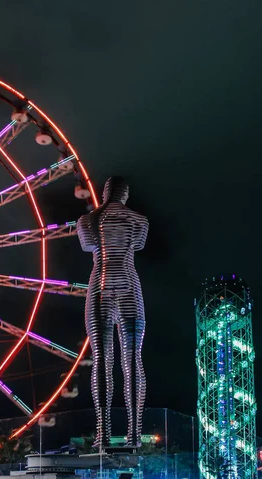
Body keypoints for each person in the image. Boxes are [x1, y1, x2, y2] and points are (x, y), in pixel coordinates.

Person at [77, 176, 148, 448]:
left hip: (100, 285)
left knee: (102, 359)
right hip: (129, 283)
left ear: (104, 192)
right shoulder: (140, 221)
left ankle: (103, 433)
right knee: (132, 359)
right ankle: (134, 434)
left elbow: (87, 245)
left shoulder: (87, 221)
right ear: (125, 194)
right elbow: (138, 245)